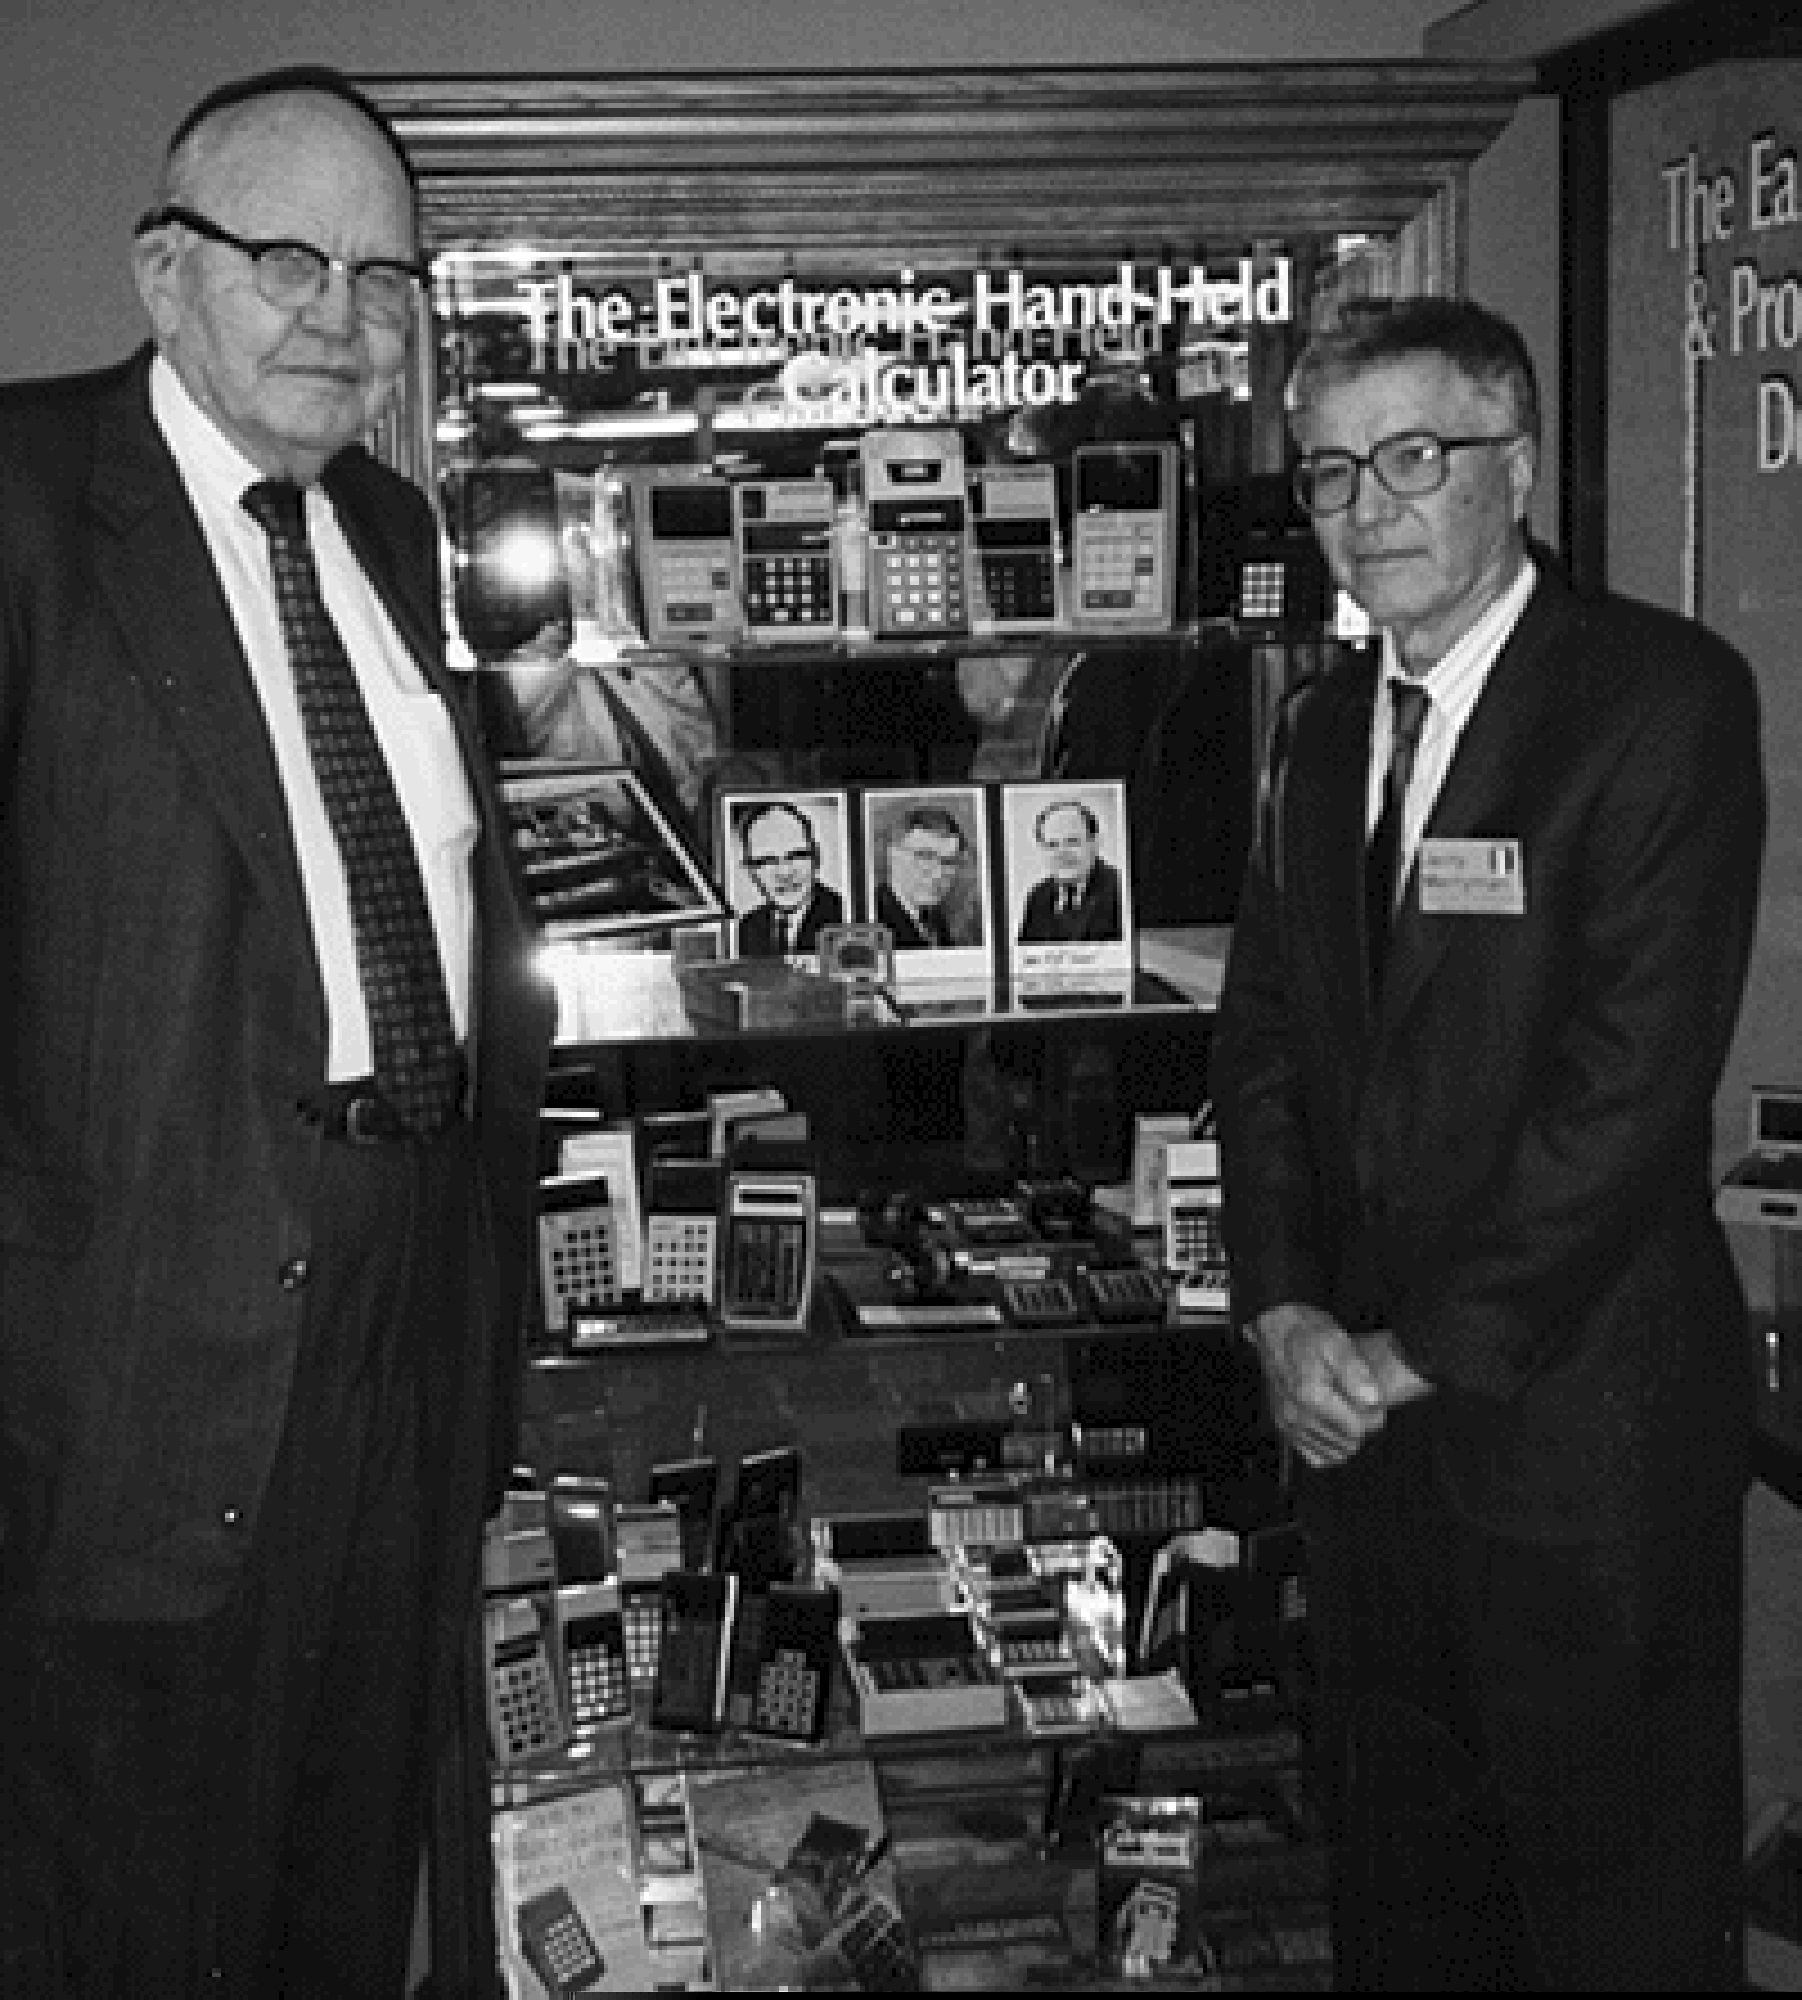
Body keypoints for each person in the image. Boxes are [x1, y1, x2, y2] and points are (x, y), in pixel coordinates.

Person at [0, 67, 555, 2000]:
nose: (344, 313)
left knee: (344, 1885)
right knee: (139, 1920)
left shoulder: (391, 535)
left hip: (404, 1326)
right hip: (140, 1373)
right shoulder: (22, 503)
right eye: (291, 261)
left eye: (386, 276)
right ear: (166, 274)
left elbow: (464, 919)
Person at [1209, 296, 1766, 1991]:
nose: (1366, 509)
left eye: (1413, 457)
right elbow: (1267, 1051)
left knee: (1615, 1922)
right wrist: (1285, 1310)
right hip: (1369, 1461)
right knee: (1412, 1906)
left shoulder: (1656, 699)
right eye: (1325, 475)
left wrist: (1406, 1350)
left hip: (1580, 1447)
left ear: (1513, 466)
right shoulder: (1317, 737)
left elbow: (1625, 1097)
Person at [734, 799, 844, 957]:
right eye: (767, 860)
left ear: (816, 858)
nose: (785, 873)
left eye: (797, 855)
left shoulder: (848, 916)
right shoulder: (744, 930)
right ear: (750, 870)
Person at [1016, 797, 1123, 942]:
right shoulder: (1037, 897)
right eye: (1052, 845)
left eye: (1072, 841)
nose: (1062, 853)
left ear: (1096, 843)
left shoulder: (1121, 891)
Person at [876, 803, 971, 949]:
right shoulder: (872, 918)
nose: (938, 874)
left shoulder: (936, 922)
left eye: (949, 862)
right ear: (893, 855)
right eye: (925, 857)